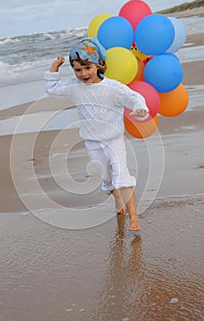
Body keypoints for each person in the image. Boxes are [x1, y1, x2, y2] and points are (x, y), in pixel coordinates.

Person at [44, 37, 149, 231]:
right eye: (77, 69)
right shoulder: (74, 88)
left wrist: (140, 109)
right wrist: (55, 67)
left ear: (99, 64)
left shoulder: (112, 88)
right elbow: (51, 89)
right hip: (92, 142)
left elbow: (134, 98)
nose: (83, 74)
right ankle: (117, 198)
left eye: (87, 68)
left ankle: (134, 217)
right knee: (107, 179)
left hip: (114, 139)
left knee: (121, 175)